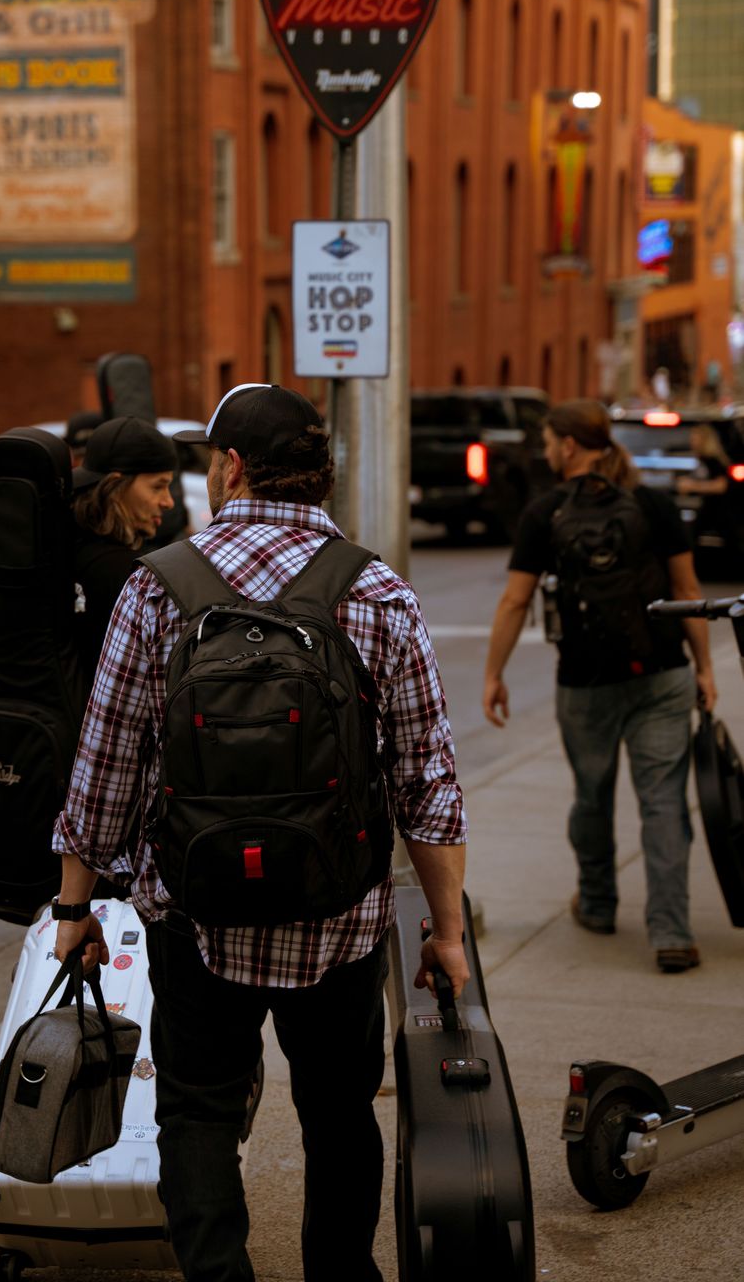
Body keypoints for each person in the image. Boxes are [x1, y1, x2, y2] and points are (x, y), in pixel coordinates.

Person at [51, 383, 469, 1282]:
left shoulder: (156, 587)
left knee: (197, 1111)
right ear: (322, 476)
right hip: (337, 917)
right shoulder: (377, 591)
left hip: (195, 914)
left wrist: (72, 909)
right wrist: (446, 930)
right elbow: (427, 781)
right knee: (339, 1113)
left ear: (231, 467)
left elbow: (105, 766)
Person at [482, 399, 716, 974]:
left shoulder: (545, 512)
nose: (545, 452)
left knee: (592, 795)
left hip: (584, 681)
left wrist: (494, 674)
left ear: (569, 446)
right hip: (661, 672)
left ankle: (597, 902)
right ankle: (672, 932)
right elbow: (687, 591)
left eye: (548, 442)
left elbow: (515, 600)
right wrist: (704, 667)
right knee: (664, 802)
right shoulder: (653, 505)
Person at [70, 415, 177, 698]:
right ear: (116, 486)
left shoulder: (62, 545)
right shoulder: (127, 575)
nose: (168, 501)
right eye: (157, 486)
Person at [676, 423, 732, 551]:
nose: (691, 442)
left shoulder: (713, 460)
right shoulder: (700, 460)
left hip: (717, 514)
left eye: (694, 438)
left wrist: (691, 485)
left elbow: (721, 486)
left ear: (705, 439)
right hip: (705, 511)